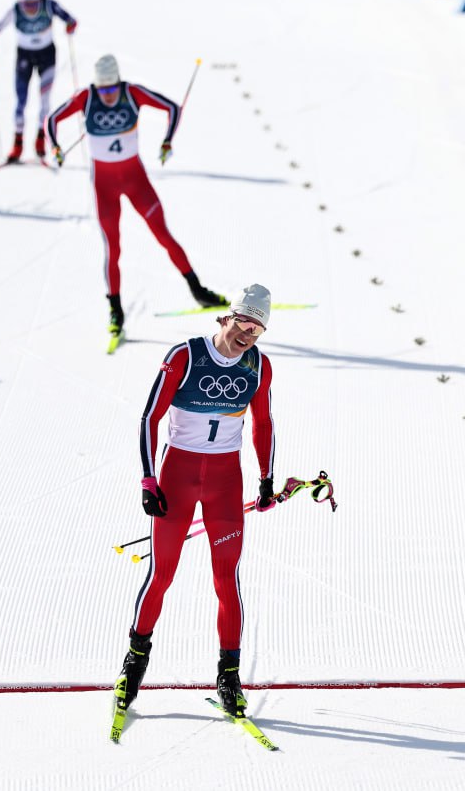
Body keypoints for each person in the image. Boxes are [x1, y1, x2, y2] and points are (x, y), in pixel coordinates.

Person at [114, 284, 275, 721]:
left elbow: (263, 422)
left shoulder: (258, 365)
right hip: (178, 478)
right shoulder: (186, 355)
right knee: (161, 574)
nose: (247, 336)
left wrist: (266, 479)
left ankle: (229, 676)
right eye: (243, 323)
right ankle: (134, 663)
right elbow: (150, 417)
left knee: (227, 580)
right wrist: (148, 480)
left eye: (257, 330)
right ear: (227, 318)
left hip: (225, 483)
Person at [46, 55, 225, 337]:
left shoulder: (132, 93)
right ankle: (115, 310)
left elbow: (172, 108)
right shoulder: (86, 98)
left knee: (163, 235)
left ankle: (198, 291)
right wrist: (55, 146)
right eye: (103, 90)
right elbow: (52, 119)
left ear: (118, 82)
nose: (107, 95)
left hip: (136, 182)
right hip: (104, 187)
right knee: (113, 249)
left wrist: (167, 141)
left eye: (112, 89)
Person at [0, 0, 77, 162]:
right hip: (24, 56)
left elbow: (70, 19)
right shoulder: (16, 9)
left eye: (34, 4)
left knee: (44, 100)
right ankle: (17, 144)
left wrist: (71, 25)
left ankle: (41, 140)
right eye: (27, 4)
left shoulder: (49, 5)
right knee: (21, 102)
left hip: (47, 56)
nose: (31, 8)